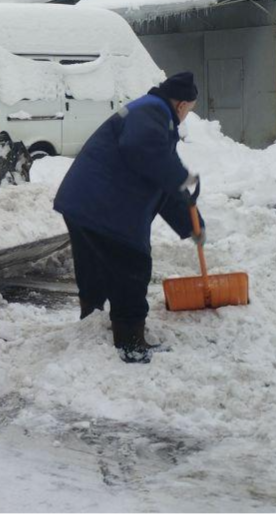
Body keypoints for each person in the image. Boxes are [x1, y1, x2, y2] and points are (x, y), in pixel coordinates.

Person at [53, 72, 202, 364]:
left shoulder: (149, 112)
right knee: (132, 267)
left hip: (84, 203)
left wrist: (192, 225)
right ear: (182, 105)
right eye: (190, 111)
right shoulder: (151, 112)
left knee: (94, 267)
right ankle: (130, 342)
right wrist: (180, 176)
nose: (186, 117)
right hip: (103, 207)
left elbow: (159, 179)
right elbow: (144, 152)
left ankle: (91, 327)